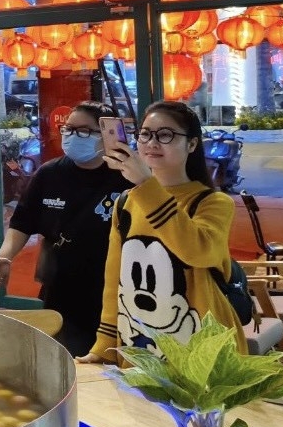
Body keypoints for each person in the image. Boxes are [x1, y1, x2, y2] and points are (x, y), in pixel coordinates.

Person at [78, 101, 245, 365]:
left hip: (202, 347)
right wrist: (105, 345)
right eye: (145, 134)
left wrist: (146, 184)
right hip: (139, 344)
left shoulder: (213, 203)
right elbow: (115, 281)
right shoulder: (126, 203)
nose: (152, 143)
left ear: (191, 144)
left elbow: (198, 252)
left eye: (165, 135)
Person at [0, 101, 133, 356]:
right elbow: (22, 224)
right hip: (62, 286)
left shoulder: (126, 176)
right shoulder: (49, 174)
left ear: (105, 135)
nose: (73, 136)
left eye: (83, 131)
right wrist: (4, 257)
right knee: (66, 356)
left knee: (112, 360)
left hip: (116, 289)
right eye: (68, 129)